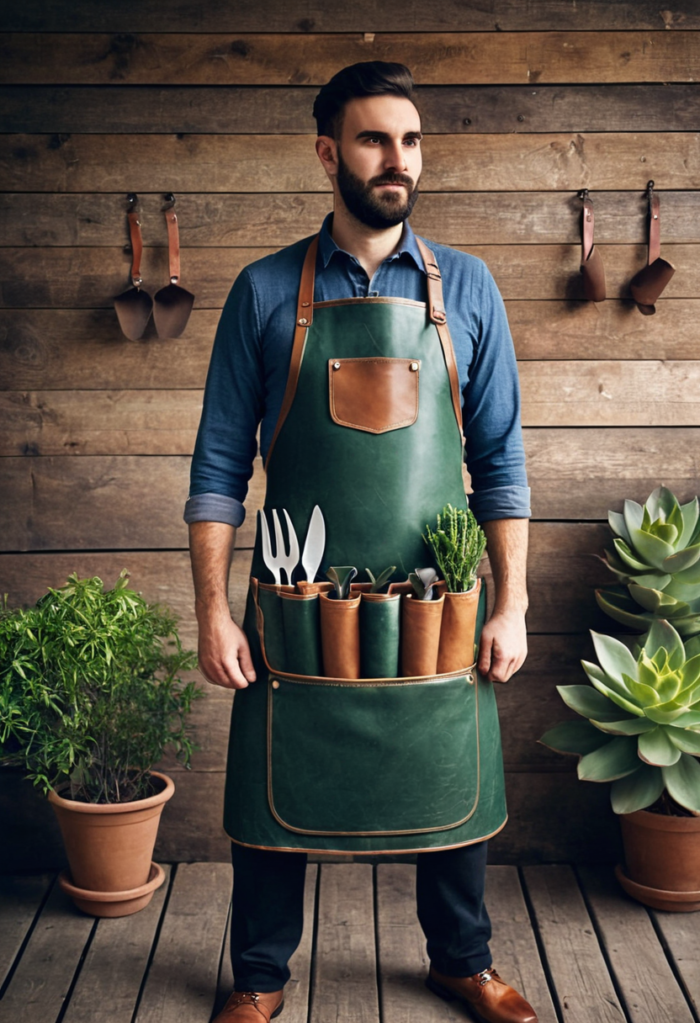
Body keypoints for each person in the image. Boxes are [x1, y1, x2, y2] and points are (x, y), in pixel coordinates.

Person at [185, 62, 536, 1023]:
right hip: (297, 611)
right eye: (377, 139)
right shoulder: (263, 293)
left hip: (437, 599)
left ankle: (463, 961)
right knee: (274, 790)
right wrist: (214, 610)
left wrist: (508, 600)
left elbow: (500, 464)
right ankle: (257, 977)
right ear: (327, 152)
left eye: (411, 140)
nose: (398, 161)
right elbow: (218, 471)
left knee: (447, 771)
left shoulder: (465, 288)